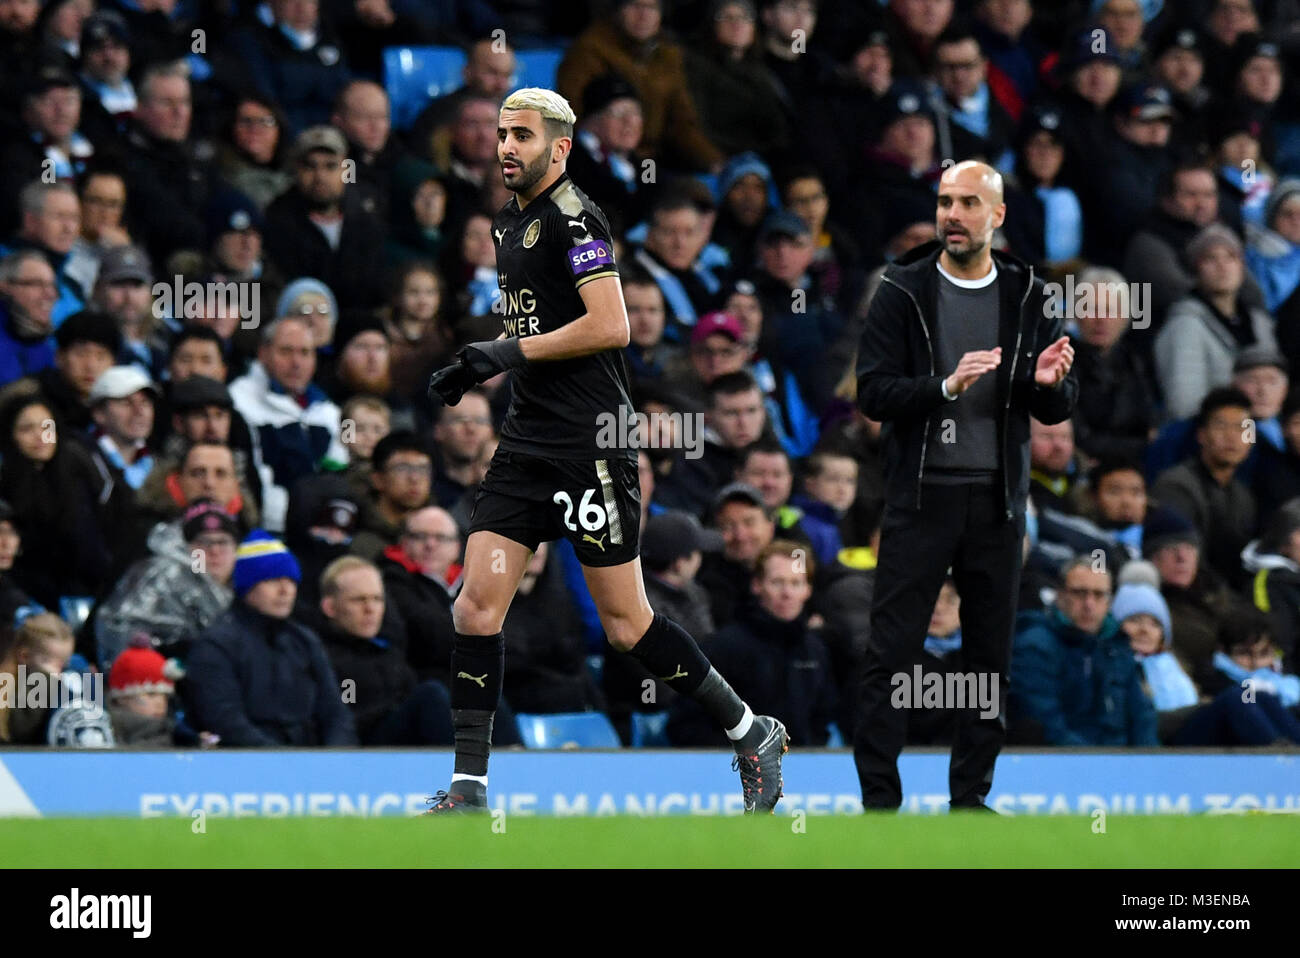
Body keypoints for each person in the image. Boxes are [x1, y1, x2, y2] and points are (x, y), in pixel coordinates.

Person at [424, 88, 788, 814]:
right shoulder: (510, 222)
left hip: (592, 444)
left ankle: (751, 732)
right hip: (527, 442)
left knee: (627, 626)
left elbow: (612, 324)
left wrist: (498, 352)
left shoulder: (574, 216)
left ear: (559, 148)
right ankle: (469, 790)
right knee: (474, 608)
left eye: (522, 136)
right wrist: (493, 361)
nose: (505, 146)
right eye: (500, 133)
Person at [853, 160, 1077, 811]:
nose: (952, 214)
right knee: (889, 657)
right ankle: (878, 805)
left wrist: (1050, 385)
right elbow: (872, 393)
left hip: (997, 502)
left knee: (988, 662)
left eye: (968, 203)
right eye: (945, 202)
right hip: (920, 498)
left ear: (997, 216)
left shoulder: (1029, 292)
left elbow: (1058, 407)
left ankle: (970, 800)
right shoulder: (901, 287)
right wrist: (944, 387)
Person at [186, 530, 357, 747]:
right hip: (247, 769)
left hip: (310, 765)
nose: (285, 590)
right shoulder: (216, 645)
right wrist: (284, 763)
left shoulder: (305, 641)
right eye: (273, 580)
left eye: (291, 581)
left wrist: (335, 758)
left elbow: (336, 712)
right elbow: (225, 722)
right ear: (247, 587)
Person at [668, 539, 837, 748]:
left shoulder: (815, 650)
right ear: (757, 585)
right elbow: (687, 724)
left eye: (796, 583)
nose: (787, 593)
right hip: (730, 770)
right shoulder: (723, 648)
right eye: (777, 582)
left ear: (808, 590)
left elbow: (821, 721)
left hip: (799, 771)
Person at [1009, 558, 1158, 746]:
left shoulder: (1117, 647)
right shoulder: (1035, 645)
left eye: (1098, 595)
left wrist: (1147, 766)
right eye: (1080, 593)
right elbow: (1045, 722)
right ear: (1060, 595)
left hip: (1120, 765)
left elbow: (1142, 719)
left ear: (1109, 602)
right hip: (1062, 765)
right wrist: (1095, 765)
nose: (1089, 604)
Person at [317, 556, 454, 746]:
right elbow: (342, 721)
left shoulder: (387, 650)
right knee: (431, 695)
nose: (370, 609)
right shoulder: (320, 657)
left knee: (479, 696)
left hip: (404, 746)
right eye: (359, 600)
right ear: (330, 607)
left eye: (377, 599)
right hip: (364, 752)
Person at [94, 498, 237, 670]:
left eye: (223, 542)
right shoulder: (162, 581)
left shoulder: (248, 590)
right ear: (187, 549)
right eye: (203, 543)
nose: (214, 551)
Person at [1151, 388, 1258, 590]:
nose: (1232, 437)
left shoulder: (1244, 495)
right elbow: (1177, 558)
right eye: (1221, 426)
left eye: (1242, 428)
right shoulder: (1176, 486)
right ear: (1201, 435)